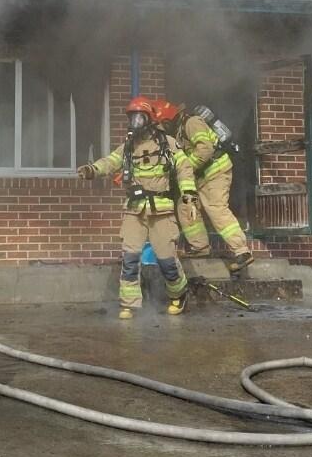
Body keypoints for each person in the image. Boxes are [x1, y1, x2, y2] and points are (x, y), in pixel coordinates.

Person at [77, 96, 199, 318]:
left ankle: (178, 294)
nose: (135, 123)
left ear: (150, 119)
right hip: (134, 209)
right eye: (132, 118)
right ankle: (129, 303)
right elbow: (110, 161)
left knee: (167, 260)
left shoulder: (167, 143)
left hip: (161, 210)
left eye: (139, 118)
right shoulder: (128, 147)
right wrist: (92, 170)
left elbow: (184, 168)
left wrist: (189, 196)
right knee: (130, 257)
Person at [152, 99, 253, 273]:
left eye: (162, 125)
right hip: (201, 176)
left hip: (216, 171)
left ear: (168, 120)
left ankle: (242, 251)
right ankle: (200, 247)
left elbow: (205, 149)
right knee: (186, 206)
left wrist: (186, 168)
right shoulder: (178, 132)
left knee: (215, 207)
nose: (162, 129)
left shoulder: (192, 123)